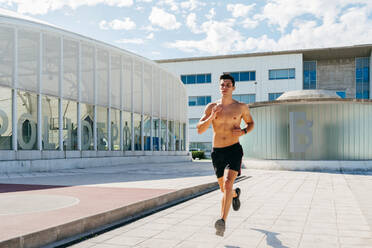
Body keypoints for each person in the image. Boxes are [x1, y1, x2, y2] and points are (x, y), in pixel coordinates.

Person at [196, 74, 254, 236]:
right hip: (217, 153)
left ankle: (222, 221)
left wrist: (243, 131)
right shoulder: (211, 107)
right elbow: (200, 129)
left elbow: (251, 123)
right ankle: (236, 195)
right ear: (219, 87)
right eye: (222, 85)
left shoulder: (241, 107)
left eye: (228, 85)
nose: (225, 87)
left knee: (228, 184)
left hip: (234, 150)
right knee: (225, 189)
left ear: (233, 88)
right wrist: (212, 116)